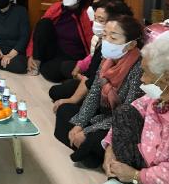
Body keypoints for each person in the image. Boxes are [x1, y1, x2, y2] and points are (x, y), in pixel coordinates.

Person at [87, 33, 169, 184]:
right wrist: (110, 148)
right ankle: (126, 181)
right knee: (124, 112)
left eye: (147, 73)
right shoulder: (157, 97)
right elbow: (130, 109)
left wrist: (136, 176)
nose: (142, 79)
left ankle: (137, 183)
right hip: (149, 159)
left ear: (166, 77)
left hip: (164, 173)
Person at [54, 15, 144, 168]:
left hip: (121, 124)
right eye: (105, 35)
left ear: (131, 44)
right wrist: (79, 124)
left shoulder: (139, 68)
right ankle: (89, 152)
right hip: (103, 115)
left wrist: (88, 130)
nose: (106, 41)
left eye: (113, 37)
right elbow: (94, 94)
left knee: (97, 138)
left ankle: (89, 151)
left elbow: (128, 114)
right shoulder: (106, 61)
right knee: (64, 111)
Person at [49, 0, 133, 109]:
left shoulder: (129, 58)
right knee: (63, 72)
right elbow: (93, 71)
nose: (95, 23)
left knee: (62, 104)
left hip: (105, 99)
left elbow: (95, 82)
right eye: (95, 18)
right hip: (93, 84)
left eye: (101, 20)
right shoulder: (102, 43)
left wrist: (74, 98)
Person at [26, 0, 94, 81]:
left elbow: (92, 43)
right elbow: (38, 31)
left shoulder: (87, 15)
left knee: (52, 73)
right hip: (54, 50)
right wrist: (31, 55)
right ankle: (36, 63)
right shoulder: (57, 7)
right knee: (44, 23)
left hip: (72, 56)